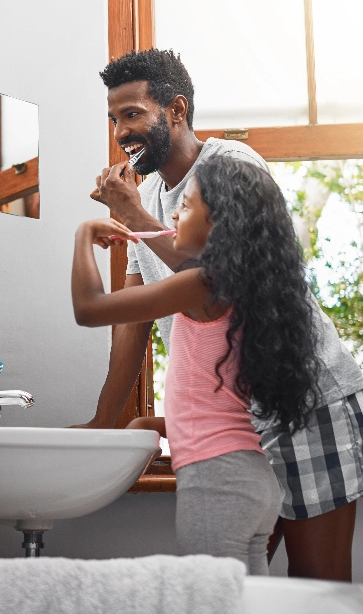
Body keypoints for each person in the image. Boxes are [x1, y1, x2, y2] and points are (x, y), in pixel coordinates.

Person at [76, 48, 363, 580]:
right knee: (231, 587)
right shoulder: (147, 190)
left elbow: (221, 276)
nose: (122, 132)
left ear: (175, 109)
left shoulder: (231, 166)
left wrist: (128, 212)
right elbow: (133, 318)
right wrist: (106, 421)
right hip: (239, 419)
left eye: (132, 114)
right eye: (114, 119)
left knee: (317, 589)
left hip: (306, 399)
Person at [72, 155, 322, 574]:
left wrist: (83, 234)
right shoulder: (239, 290)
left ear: (220, 225)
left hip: (218, 483)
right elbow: (215, 409)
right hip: (254, 480)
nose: (173, 212)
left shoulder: (202, 284)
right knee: (243, 604)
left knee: (207, 600)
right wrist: (151, 425)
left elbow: (89, 309)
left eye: (186, 205)